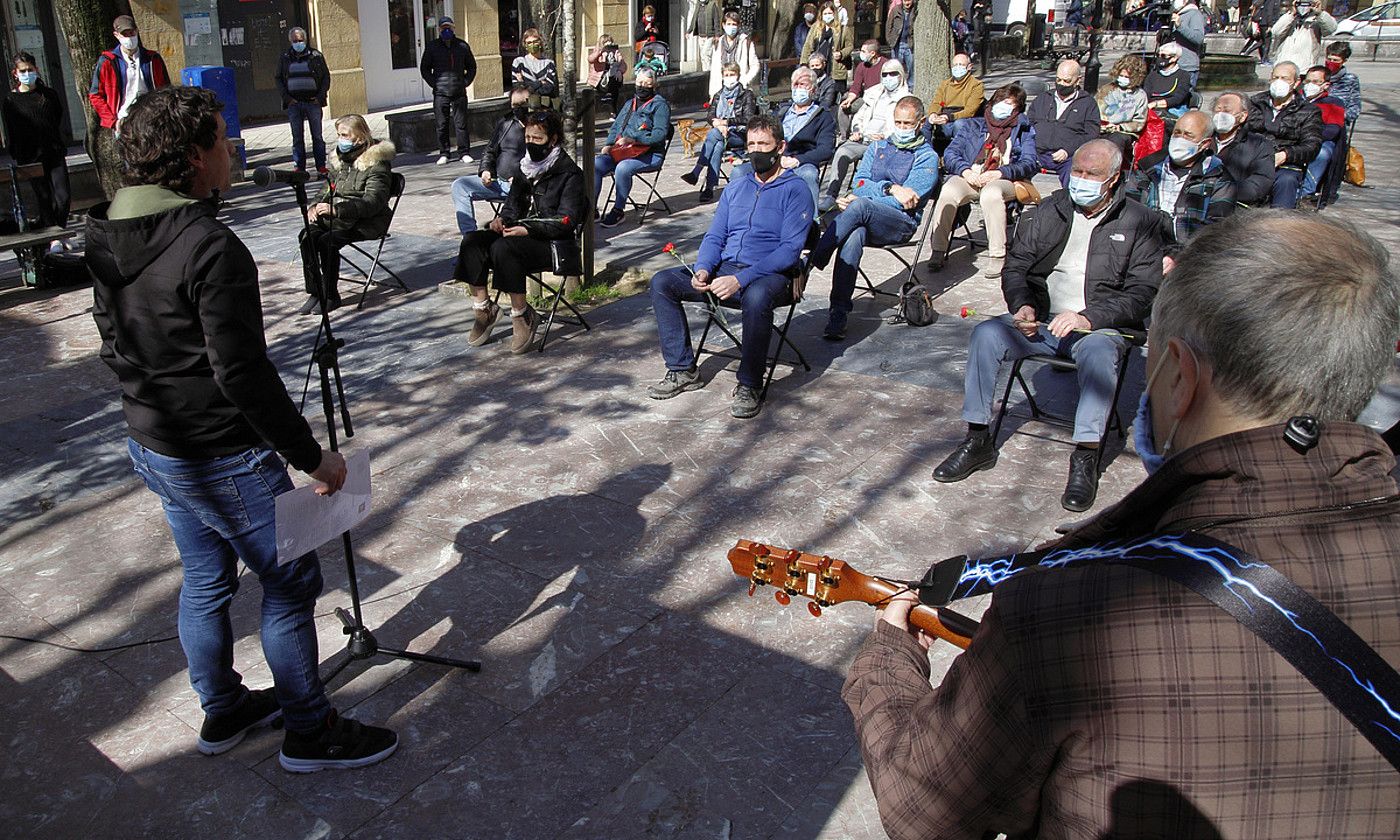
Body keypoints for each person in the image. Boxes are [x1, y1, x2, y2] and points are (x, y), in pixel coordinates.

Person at [844, 211, 1400, 839]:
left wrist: (887, 661)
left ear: (1180, 377)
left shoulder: (1069, 606)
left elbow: (926, 809)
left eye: (1156, 358)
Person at [87, 86, 399, 774]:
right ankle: (309, 732)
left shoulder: (106, 228)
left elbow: (112, 341)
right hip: (220, 453)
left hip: (154, 443)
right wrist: (314, 459)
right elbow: (242, 375)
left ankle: (223, 707)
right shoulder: (209, 246)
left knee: (205, 582)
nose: (232, 152)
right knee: (290, 587)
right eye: (223, 141)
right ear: (195, 158)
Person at [931, 140, 1162, 511]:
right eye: (1079, 172)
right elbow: (1017, 265)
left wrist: (1090, 317)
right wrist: (1022, 305)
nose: (1082, 180)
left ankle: (1086, 455)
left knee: (1101, 352)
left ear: (1114, 177)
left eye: (1093, 174)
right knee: (987, 334)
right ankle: (978, 439)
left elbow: (1143, 290)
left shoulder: (1141, 222)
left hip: (1097, 326)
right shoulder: (1050, 210)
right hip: (1043, 319)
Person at [645, 114, 813, 420]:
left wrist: (739, 279)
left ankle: (750, 383)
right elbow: (716, 234)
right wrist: (705, 268)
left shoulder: (796, 190)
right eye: (751, 144)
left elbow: (789, 252)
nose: (757, 151)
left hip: (771, 275)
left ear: (781, 147)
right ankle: (682, 369)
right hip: (726, 268)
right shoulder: (738, 186)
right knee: (662, 282)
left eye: (764, 144)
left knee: (756, 297)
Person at [807, 96, 940, 340]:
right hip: (868, 217)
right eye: (897, 122)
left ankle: (815, 258)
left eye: (907, 123)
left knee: (861, 207)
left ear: (920, 123)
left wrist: (868, 197)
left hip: (900, 222)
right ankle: (838, 313)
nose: (901, 128)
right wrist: (889, 188)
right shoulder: (878, 147)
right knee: (854, 234)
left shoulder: (927, 157)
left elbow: (909, 201)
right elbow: (860, 184)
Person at [455, 109, 586, 354]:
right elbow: (513, 205)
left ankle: (522, 314)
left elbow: (566, 221)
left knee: (504, 248)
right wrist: (502, 219)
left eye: (537, 139)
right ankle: (484, 308)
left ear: (553, 139)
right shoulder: (524, 168)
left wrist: (527, 229)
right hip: (521, 236)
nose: (531, 144)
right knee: (473, 241)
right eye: (527, 138)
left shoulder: (569, 174)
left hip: (555, 245)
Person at [926, 84, 1039, 278]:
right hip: (973, 174)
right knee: (949, 191)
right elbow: (951, 152)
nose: (1001, 107)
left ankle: (997, 254)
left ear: (1017, 108)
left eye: (1008, 104)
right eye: (999, 102)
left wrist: (1002, 172)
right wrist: (965, 170)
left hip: (1004, 178)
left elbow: (1030, 163)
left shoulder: (1024, 130)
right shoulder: (974, 125)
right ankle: (938, 248)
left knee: (991, 194)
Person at [297, 115, 395, 313]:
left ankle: (331, 296)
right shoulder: (340, 160)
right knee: (307, 236)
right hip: (339, 219)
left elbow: (374, 202)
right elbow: (327, 188)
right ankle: (316, 292)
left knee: (327, 241)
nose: (339, 139)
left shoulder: (377, 163)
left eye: (344, 135)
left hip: (367, 221)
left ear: (359, 137)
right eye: (338, 134)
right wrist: (315, 206)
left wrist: (337, 210)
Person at [1129, 109, 1235, 247]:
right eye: (1177, 133)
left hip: (1188, 255)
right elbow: (1128, 210)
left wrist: (1176, 256)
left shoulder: (1218, 178)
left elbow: (1215, 230)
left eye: (1188, 136)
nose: (1180, 139)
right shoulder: (1148, 168)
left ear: (1205, 144)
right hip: (1142, 246)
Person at [2, 52, 70, 248]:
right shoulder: (11, 100)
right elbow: (11, 128)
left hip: (54, 152)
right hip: (30, 156)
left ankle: (59, 230)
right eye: (22, 71)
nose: (27, 74)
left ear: (36, 69)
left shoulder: (48, 95)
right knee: (44, 198)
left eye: (30, 70)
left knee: (63, 197)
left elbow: (56, 117)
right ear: (15, 74)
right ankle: (53, 238)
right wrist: (17, 153)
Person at [820, 59, 909, 212]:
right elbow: (859, 116)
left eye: (893, 74)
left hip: (885, 143)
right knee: (842, 151)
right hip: (863, 138)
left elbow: (902, 126)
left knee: (869, 162)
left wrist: (885, 137)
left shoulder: (905, 99)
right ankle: (831, 194)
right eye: (885, 74)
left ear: (900, 76)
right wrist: (856, 130)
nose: (888, 78)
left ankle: (857, 196)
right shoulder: (874, 93)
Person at [595, 67, 670, 228]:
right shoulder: (630, 103)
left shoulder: (660, 105)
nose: (642, 87)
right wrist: (609, 144)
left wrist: (634, 138)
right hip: (623, 151)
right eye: (639, 83)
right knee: (596, 164)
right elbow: (616, 126)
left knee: (623, 168)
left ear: (654, 85)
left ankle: (618, 210)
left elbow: (660, 135)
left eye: (647, 84)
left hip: (649, 154)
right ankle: (591, 209)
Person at [451, 85, 529, 234]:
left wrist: (522, 179)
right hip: (498, 182)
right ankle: (470, 236)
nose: (518, 109)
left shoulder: (537, 128)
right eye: (514, 105)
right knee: (459, 186)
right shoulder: (505, 123)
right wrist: (486, 170)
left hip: (521, 186)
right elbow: (490, 150)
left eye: (522, 104)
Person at [1248, 61, 1322, 209]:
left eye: (1285, 78)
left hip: (1284, 164)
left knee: (1286, 180)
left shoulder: (1308, 111)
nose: (1279, 82)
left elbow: (1311, 146)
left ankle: (1279, 223)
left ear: (1296, 83)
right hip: (1252, 158)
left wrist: (1285, 155)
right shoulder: (1255, 103)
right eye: (1276, 78)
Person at [682, 63, 757, 201]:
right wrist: (717, 124)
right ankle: (710, 188)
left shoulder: (746, 95)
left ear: (738, 75)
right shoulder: (718, 95)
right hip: (720, 135)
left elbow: (748, 118)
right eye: (726, 75)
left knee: (714, 135)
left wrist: (726, 122)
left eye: (732, 74)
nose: (729, 78)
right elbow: (710, 115)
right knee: (716, 145)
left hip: (739, 134)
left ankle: (697, 171)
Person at [88, 14, 170, 137]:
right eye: (124, 34)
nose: (129, 37)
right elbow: (95, 95)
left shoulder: (153, 59)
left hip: (152, 119)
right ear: (116, 35)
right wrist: (113, 122)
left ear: (136, 31)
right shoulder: (107, 62)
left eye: (131, 33)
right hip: (124, 121)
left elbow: (166, 89)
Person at [772, 66, 838, 210]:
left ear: (813, 89)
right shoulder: (782, 112)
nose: (798, 88)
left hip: (802, 162)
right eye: (795, 84)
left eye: (803, 85)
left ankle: (812, 224)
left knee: (808, 174)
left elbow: (826, 150)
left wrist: (798, 160)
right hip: (776, 160)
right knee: (740, 172)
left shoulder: (823, 116)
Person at [1027, 59, 1100, 188]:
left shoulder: (1088, 103)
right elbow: (1029, 124)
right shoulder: (1043, 99)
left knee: (1074, 175)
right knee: (1016, 168)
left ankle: (1070, 204)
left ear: (1078, 80)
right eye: (1058, 80)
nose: (1061, 84)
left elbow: (1091, 133)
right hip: (1037, 153)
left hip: (1068, 157)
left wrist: (1068, 150)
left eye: (1067, 81)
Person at [420, 15, 477, 166]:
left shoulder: (462, 46)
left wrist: (465, 82)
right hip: (440, 93)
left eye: (449, 27)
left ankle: (464, 152)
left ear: (453, 29)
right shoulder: (432, 47)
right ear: (439, 29)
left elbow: (471, 66)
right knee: (442, 124)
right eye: (443, 28)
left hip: (459, 91)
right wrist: (435, 83)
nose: (446, 30)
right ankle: (444, 153)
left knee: (461, 123)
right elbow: (424, 68)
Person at [274, 27, 331, 178]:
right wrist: (287, 98)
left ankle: (321, 166)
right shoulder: (285, 57)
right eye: (295, 41)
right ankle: (299, 167)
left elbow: (326, 77)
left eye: (300, 40)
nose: (298, 43)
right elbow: (278, 78)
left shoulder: (315, 56)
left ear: (305, 40)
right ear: (290, 41)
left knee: (317, 136)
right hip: (294, 103)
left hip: (313, 102)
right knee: (297, 137)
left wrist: (320, 97)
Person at [1209, 91, 1277, 206]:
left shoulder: (1259, 145)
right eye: (1217, 110)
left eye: (1227, 111)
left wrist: (1222, 191)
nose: (1221, 115)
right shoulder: (1203, 140)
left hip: (1233, 206)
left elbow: (1259, 185)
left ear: (1243, 116)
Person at [1299, 64, 1346, 198]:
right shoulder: (1295, 99)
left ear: (1325, 85)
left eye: (1315, 82)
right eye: (1307, 81)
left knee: (1322, 153)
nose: (1310, 85)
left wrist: (1310, 138)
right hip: (1293, 137)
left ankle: (1306, 191)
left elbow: (1332, 131)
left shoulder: (1334, 103)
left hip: (1320, 140)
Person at [1096, 53, 1149, 158]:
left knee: (1115, 140)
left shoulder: (1140, 95)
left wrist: (1120, 127)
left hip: (1124, 132)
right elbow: (1094, 109)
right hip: (1102, 127)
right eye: (1121, 76)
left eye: (1126, 77)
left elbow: (1139, 122)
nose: (1122, 79)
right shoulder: (1106, 89)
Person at [925, 53, 984, 144]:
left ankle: (959, 153)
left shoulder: (976, 85)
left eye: (961, 65)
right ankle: (928, 152)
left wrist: (950, 117)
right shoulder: (945, 84)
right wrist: (933, 114)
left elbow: (970, 111)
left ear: (969, 67)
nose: (958, 67)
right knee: (927, 121)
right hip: (945, 117)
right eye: (955, 65)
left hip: (963, 118)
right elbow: (938, 103)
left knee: (959, 124)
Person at [801, 2, 854, 99]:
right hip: (818, 67)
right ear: (821, 15)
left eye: (830, 13)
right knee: (817, 96)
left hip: (836, 68)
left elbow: (850, 46)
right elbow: (807, 46)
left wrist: (841, 54)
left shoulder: (843, 29)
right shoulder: (816, 28)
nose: (827, 16)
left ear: (834, 14)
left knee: (835, 98)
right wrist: (804, 64)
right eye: (825, 14)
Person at [1271, 0, 1337, 74]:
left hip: (1304, 69)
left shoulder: (1317, 19)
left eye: (1307, 3)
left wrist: (1319, 13)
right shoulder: (1289, 16)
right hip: (1282, 68)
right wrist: (1292, 14)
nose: (1303, 7)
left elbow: (1331, 29)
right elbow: (1276, 32)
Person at [841, 40, 886, 137]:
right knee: (843, 108)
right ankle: (845, 137)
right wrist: (849, 99)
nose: (861, 54)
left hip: (882, 98)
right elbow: (856, 86)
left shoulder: (886, 64)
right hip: (866, 98)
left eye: (863, 51)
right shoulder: (861, 66)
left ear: (873, 53)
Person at [709, 11, 760, 96]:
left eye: (734, 24)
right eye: (728, 24)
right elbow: (714, 70)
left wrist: (745, 80)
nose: (731, 27)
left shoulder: (745, 42)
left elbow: (755, 65)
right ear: (723, 25)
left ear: (738, 26)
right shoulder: (718, 43)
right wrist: (712, 93)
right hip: (721, 90)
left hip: (740, 90)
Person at [512, 28, 558, 109]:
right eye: (529, 42)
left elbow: (549, 88)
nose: (532, 45)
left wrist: (526, 85)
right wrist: (540, 83)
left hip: (545, 108)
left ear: (540, 43)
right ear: (525, 45)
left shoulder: (549, 63)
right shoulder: (518, 62)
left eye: (535, 41)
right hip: (524, 108)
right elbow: (517, 86)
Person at [1143, 43, 1191, 117]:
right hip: (1150, 109)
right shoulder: (1152, 75)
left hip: (1173, 110)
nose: (1159, 58)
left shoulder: (1183, 76)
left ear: (1174, 58)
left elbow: (1178, 99)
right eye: (1158, 55)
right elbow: (1145, 94)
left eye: (1163, 56)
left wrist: (1155, 104)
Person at [1170, 0, 1206, 89]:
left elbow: (1198, 38)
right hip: (1172, 65)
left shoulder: (1194, 14)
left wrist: (1180, 26)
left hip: (1186, 67)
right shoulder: (1176, 14)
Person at [587, 35, 626, 117]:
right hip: (600, 78)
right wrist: (600, 52)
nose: (609, 44)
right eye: (606, 42)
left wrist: (619, 70)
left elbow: (623, 65)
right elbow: (590, 59)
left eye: (610, 42)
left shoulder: (615, 52)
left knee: (615, 86)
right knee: (609, 87)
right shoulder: (598, 51)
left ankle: (613, 111)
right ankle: (609, 107)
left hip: (612, 78)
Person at [1324, 41, 1362, 123]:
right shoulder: (1317, 75)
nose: (1331, 62)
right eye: (1329, 59)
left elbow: (1355, 106)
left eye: (1335, 60)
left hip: (1339, 121)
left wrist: (1343, 116)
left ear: (1344, 61)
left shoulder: (1351, 79)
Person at [886, 0, 918, 86]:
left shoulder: (915, 10)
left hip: (909, 44)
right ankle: (897, 85)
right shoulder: (896, 10)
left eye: (909, 0)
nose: (907, 3)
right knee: (896, 68)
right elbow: (889, 25)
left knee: (911, 68)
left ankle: (911, 87)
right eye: (905, 0)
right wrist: (890, 40)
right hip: (897, 43)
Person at [690, 0, 724, 72]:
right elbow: (694, 19)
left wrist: (717, 34)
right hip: (700, 35)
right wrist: (689, 31)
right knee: (703, 56)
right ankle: (705, 71)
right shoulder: (698, 5)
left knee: (706, 54)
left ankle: (708, 72)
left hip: (709, 36)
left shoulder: (712, 5)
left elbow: (716, 20)